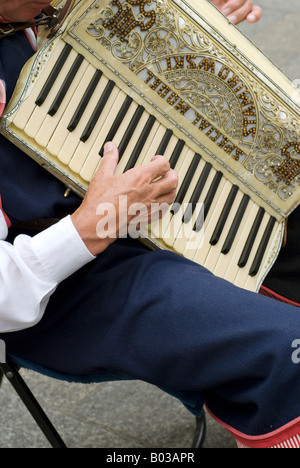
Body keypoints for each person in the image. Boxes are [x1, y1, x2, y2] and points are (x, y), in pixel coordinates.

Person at [0, 0, 299, 449]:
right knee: (285, 348)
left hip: (136, 199)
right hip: (57, 279)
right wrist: (94, 224)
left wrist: (188, 27)